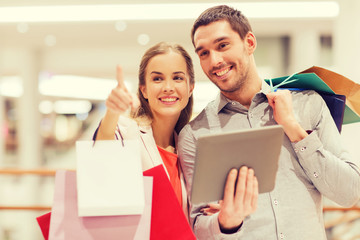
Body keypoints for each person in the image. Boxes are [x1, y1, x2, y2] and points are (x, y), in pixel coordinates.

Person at [178, 5, 360, 240]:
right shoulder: (195, 135)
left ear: (250, 43)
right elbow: (199, 226)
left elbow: (351, 193)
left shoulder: (307, 104)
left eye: (223, 45)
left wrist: (295, 130)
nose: (214, 61)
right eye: (203, 53)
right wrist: (226, 221)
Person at [94, 42, 195, 215]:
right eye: (157, 79)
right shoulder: (127, 132)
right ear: (144, 90)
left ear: (190, 87)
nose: (168, 87)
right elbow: (103, 148)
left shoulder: (190, 144)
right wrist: (112, 112)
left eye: (177, 78)